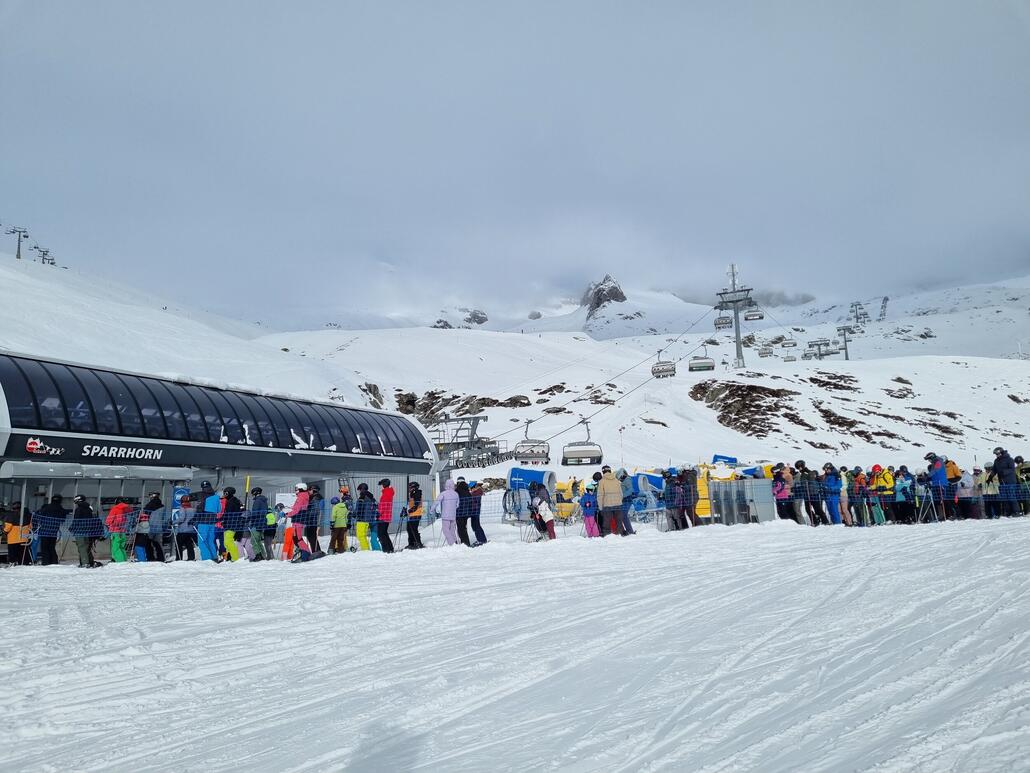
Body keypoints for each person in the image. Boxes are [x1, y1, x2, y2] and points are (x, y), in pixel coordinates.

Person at [70, 495, 103, 567]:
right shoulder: (89, 509)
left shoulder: (79, 509)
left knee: (81, 547)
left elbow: (77, 520)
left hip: (79, 531)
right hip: (88, 531)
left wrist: (72, 528)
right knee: (87, 547)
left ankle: (85, 562)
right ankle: (90, 561)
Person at [36, 495, 68, 565]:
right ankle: (54, 561)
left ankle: (46, 562)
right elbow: (63, 519)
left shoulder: (46, 507)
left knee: (44, 547)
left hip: (44, 530)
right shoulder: (60, 509)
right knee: (51, 547)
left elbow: (39, 516)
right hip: (54, 530)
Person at [988, 447, 1020, 516]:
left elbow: (1012, 469)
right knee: (1004, 497)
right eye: (996, 454)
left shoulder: (1009, 459)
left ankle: (1016, 511)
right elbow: (994, 470)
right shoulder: (996, 461)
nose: (997, 455)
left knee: (1011, 496)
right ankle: (1007, 512)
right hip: (1002, 481)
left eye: (998, 454)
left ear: (1002, 452)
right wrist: (990, 477)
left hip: (1010, 481)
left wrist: (1004, 472)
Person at [139, 491, 167, 563]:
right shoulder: (163, 507)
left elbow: (144, 517)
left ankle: (150, 557)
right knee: (158, 544)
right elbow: (164, 518)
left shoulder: (148, 507)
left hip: (149, 528)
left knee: (148, 543)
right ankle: (161, 558)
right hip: (159, 528)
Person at [597, 465, 623, 537]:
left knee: (607, 523)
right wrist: (619, 500)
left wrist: (600, 507)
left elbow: (600, 495)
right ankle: (619, 535)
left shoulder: (602, 481)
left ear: (603, 471)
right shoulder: (617, 480)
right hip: (618, 504)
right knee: (618, 521)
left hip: (607, 504)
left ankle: (607, 536)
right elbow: (621, 493)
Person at [105, 498, 133, 562]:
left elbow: (109, 519)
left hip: (115, 530)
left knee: (116, 547)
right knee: (121, 547)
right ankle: (124, 559)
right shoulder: (127, 509)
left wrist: (107, 524)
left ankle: (119, 561)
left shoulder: (115, 508)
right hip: (123, 530)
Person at [433, 479, 460, 545]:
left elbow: (437, 502)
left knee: (445, 530)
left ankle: (452, 543)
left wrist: (432, 510)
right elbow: (457, 505)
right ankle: (455, 541)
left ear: (446, 485)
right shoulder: (456, 494)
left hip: (445, 515)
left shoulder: (443, 493)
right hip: (453, 515)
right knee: (452, 530)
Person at [288, 483, 312, 554]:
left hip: (298, 520)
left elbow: (297, 510)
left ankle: (306, 553)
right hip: (298, 519)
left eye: (297, 489)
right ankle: (303, 552)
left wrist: (287, 514)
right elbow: (297, 507)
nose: (296, 490)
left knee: (298, 538)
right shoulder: (303, 496)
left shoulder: (301, 497)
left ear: (301, 489)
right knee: (295, 538)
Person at [172, 496, 197, 561]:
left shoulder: (182, 508)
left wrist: (173, 522)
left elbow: (181, 518)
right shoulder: (193, 509)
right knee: (189, 544)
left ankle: (179, 558)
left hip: (182, 530)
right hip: (191, 530)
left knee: (178, 544)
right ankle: (191, 558)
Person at [248, 487, 270, 561]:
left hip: (256, 523)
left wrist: (251, 521)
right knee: (258, 540)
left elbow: (255, 513)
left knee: (254, 540)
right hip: (262, 523)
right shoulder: (264, 501)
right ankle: (263, 555)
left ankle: (258, 555)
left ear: (255, 493)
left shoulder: (257, 501)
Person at [615, 468, 637, 536]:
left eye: (620, 478)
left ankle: (630, 531)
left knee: (623, 515)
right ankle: (625, 531)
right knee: (621, 515)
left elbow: (631, 490)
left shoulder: (627, 479)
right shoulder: (622, 479)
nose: (620, 479)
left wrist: (622, 495)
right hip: (623, 500)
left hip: (627, 500)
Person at [353, 484, 375, 550]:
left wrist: (354, 514)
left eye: (359, 490)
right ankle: (366, 549)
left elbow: (359, 508)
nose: (359, 491)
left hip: (361, 519)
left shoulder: (362, 497)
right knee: (363, 535)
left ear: (362, 489)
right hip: (368, 519)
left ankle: (365, 550)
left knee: (360, 536)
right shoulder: (371, 498)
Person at [376, 479, 395, 553]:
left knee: (381, 534)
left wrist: (378, 513)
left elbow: (384, 506)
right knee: (384, 533)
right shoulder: (389, 492)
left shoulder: (386, 493)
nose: (382, 486)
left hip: (383, 516)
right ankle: (390, 548)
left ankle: (386, 549)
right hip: (386, 516)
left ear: (384, 485)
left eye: (382, 485)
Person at [406, 482, 426, 549]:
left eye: (410, 487)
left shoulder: (417, 492)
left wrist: (410, 510)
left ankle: (418, 543)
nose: (409, 488)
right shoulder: (412, 493)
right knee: (409, 528)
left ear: (413, 487)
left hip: (416, 513)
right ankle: (411, 543)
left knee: (413, 529)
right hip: (412, 514)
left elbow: (416, 504)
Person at [306, 484, 324, 554]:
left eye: (310, 490)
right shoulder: (313, 497)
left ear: (314, 490)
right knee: (311, 536)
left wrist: (308, 515)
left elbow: (315, 510)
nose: (309, 491)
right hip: (311, 519)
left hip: (312, 520)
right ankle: (316, 550)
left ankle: (315, 551)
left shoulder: (316, 498)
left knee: (311, 536)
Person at [454, 478, 473, 546]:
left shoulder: (456, 491)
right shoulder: (467, 490)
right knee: (464, 528)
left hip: (459, 513)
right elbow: (471, 501)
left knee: (460, 528)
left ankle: (465, 543)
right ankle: (465, 542)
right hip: (466, 513)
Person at [469, 481, 488, 546]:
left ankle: (481, 540)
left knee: (476, 525)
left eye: (471, 488)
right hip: (474, 511)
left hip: (475, 511)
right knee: (475, 525)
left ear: (474, 487)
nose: (470, 489)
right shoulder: (476, 492)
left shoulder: (477, 492)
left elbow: (473, 500)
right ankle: (482, 539)